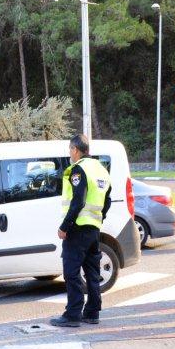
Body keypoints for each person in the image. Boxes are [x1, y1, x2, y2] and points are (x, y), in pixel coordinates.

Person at [50, 135, 111, 328]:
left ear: (76, 149)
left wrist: (64, 227)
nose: (69, 153)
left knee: (71, 272)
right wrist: (99, 218)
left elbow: (78, 201)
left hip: (77, 230)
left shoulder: (78, 169)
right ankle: (92, 312)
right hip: (94, 229)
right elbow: (107, 200)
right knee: (92, 272)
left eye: (70, 150)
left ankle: (73, 314)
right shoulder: (101, 169)